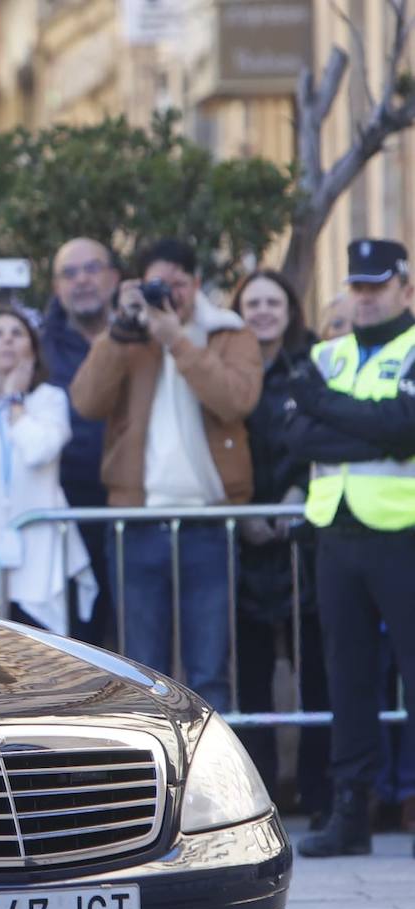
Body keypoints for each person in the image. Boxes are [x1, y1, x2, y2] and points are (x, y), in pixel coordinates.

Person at [70, 238, 262, 711]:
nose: (168, 295)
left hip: (210, 525)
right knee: (140, 670)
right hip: (137, 524)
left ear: (197, 285)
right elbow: (87, 402)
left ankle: (210, 781)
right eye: (158, 284)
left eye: (178, 284)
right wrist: (120, 332)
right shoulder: (124, 336)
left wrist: (177, 337)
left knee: (210, 671)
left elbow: (236, 400)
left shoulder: (228, 332)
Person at [286, 238, 415, 859]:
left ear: (404, 288)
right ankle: (350, 815)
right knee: (348, 680)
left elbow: (405, 428)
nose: (364, 298)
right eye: (356, 287)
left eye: (376, 286)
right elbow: (294, 434)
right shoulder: (327, 353)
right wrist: (375, 433)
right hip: (335, 536)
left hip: (404, 534)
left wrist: (325, 409)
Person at [0, 257, 96, 634]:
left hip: (39, 559)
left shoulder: (49, 399)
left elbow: (40, 450)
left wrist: (15, 403)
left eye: (17, 333)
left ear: (33, 350)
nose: (8, 338)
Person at [228, 269, 329, 822]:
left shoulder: (312, 362)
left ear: (290, 310)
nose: (263, 312)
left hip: (302, 543)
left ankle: (320, 795)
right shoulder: (226, 366)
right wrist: (241, 509)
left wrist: (295, 495)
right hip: (241, 541)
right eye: (252, 302)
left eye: (273, 302)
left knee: (316, 675)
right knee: (250, 684)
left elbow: (321, 434)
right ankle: (256, 800)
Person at [41, 237, 120, 647]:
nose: (82, 281)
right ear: (56, 287)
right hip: (65, 513)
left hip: (133, 507)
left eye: (92, 268)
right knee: (79, 646)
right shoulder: (38, 345)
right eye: (69, 273)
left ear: (113, 277)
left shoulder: (143, 332)